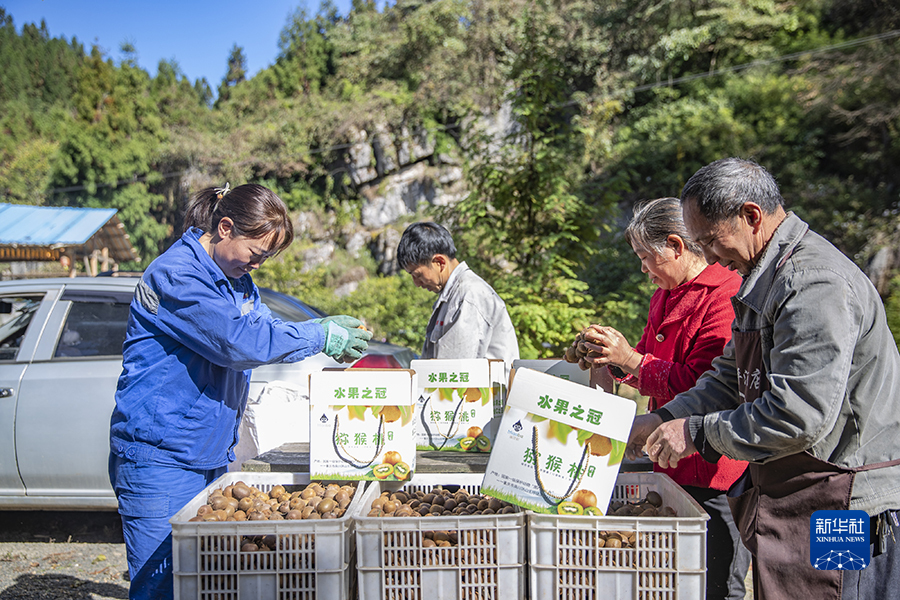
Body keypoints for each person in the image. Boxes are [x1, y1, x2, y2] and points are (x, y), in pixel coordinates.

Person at [627, 158, 900, 600]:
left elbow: (798, 414)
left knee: (840, 591)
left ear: (751, 216)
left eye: (711, 240)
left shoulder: (813, 283)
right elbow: (730, 376)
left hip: (845, 504)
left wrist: (697, 432)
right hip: (796, 494)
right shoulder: (763, 278)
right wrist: (663, 418)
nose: (711, 256)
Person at [108, 183, 372, 600]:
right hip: (160, 456)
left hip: (209, 452)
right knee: (162, 585)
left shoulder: (236, 280)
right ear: (226, 227)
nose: (258, 265)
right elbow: (237, 342)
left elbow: (262, 329)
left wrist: (320, 332)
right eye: (256, 254)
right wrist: (317, 335)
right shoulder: (177, 274)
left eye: (266, 259)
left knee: (206, 581)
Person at [580, 197, 749, 600]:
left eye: (645, 256)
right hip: (671, 459)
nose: (643, 268)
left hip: (713, 464)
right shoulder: (667, 292)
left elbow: (707, 384)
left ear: (676, 245)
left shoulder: (724, 295)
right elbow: (646, 361)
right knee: (674, 576)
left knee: (717, 579)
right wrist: (610, 358)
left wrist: (631, 359)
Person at [396, 221, 519, 364]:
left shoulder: (469, 295)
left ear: (440, 262)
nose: (416, 284)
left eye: (417, 275)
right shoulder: (452, 295)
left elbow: (454, 373)